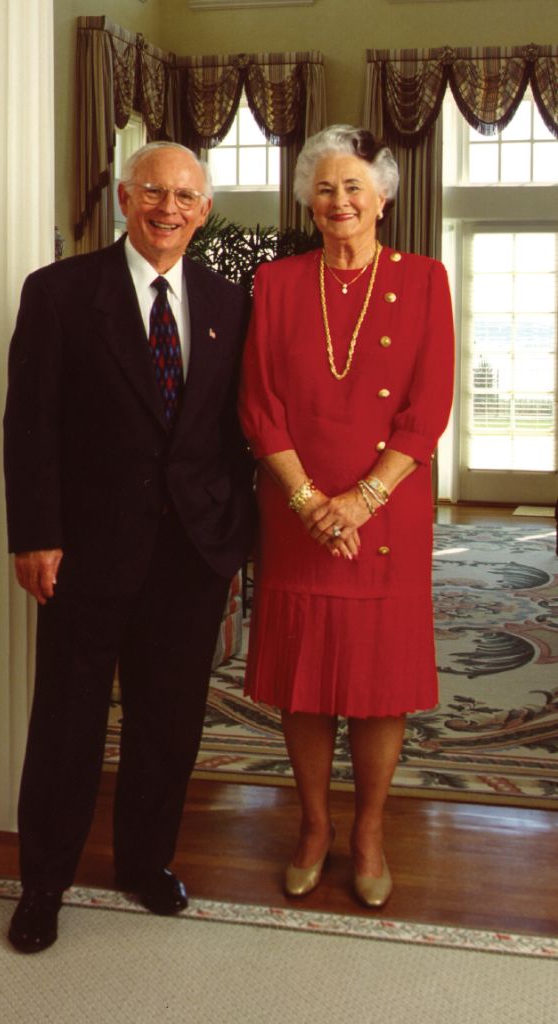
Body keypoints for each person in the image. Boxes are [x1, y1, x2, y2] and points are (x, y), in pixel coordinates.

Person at [3, 142, 255, 952]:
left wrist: (233, 541)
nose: (169, 208)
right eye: (155, 191)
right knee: (67, 725)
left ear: (205, 210)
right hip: (84, 554)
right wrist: (36, 534)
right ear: (124, 197)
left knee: (168, 724)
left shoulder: (228, 302)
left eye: (186, 196)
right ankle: (43, 884)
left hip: (191, 556)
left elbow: (232, 436)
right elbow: (30, 425)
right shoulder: (60, 293)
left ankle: (145, 863)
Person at [238, 125, 454, 908]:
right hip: (295, 510)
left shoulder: (427, 279)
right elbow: (260, 405)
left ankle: (368, 832)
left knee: (377, 683)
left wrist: (360, 499)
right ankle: (313, 827)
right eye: (325, 188)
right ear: (308, 199)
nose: (339, 201)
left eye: (353, 186)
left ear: (384, 196)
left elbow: (427, 412)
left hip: (387, 512)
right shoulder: (277, 281)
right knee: (305, 682)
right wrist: (308, 502)